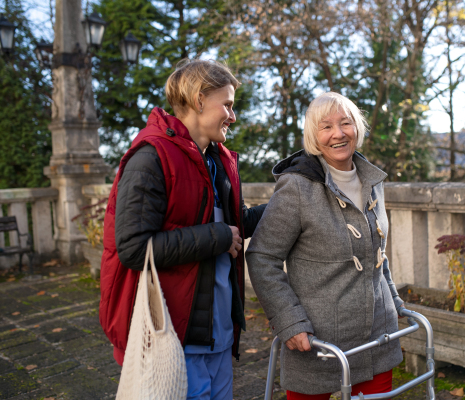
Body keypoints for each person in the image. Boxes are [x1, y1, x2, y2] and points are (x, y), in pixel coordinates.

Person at [99, 59, 266, 400]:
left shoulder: (216, 158)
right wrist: (217, 237)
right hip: (175, 335)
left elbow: (232, 222)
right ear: (199, 99)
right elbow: (132, 247)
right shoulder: (151, 157)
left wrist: (287, 205)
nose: (232, 116)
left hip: (217, 332)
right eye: (228, 105)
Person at [246, 92, 405, 399]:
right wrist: (289, 322)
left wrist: (393, 301)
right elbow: (262, 257)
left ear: (357, 128)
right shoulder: (296, 186)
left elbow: (377, 253)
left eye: (346, 123)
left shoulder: (373, 180)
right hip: (318, 342)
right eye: (327, 127)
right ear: (314, 136)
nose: (338, 133)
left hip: (377, 337)